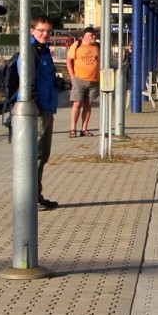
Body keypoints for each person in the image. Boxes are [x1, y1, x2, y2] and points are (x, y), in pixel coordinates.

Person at [20, 16, 61, 210]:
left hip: (46, 108)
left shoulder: (43, 51)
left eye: (48, 31)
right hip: (38, 110)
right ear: (32, 31)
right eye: (41, 31)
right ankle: (29, 198)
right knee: (35, 154)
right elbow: (28, 82)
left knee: (42, 155)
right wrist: (34, 106)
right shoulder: (31, 52)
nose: (45, 34)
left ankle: (35, 194)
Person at [66, 26, 100, 137]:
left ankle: (84, 129)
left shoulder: (97, 46)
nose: (93, 37)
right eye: (91, 35)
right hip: (79, 79)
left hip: (94, 80)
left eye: (94, 35)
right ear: (84, 36)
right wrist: (72, 76)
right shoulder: (77, 45)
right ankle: (72, 129)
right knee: (77, 103)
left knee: (88, 104)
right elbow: (69, 60)